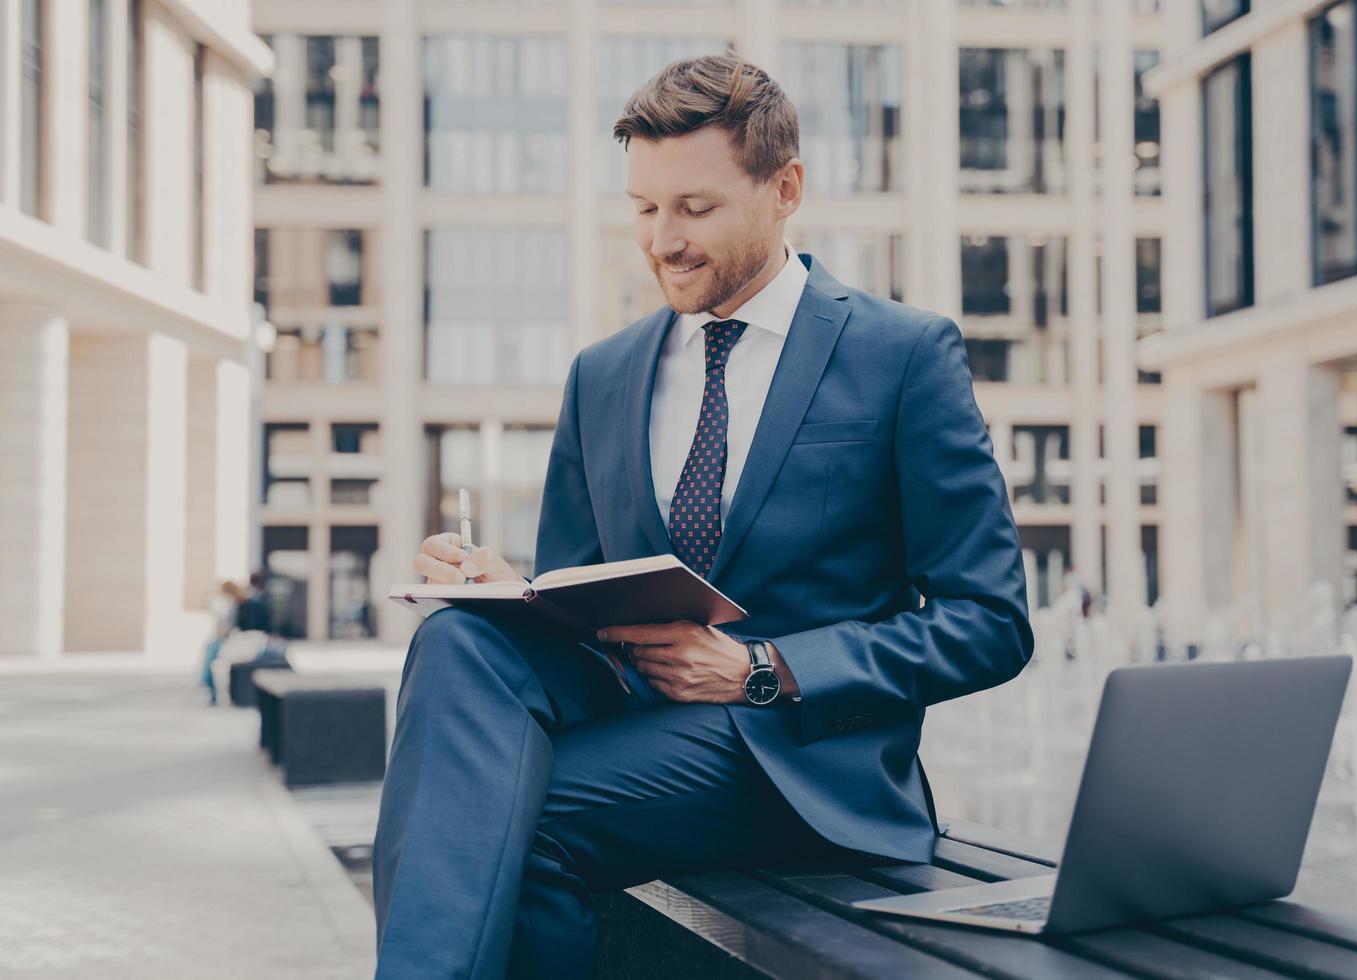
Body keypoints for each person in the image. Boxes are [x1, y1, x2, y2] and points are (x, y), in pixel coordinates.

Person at [371, 54, 1032, 979]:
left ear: (785, 188)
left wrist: (764, 670)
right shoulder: (603, 375)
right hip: (634, 721)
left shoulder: (902, 355)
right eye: (645, 209)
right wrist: (509, 594)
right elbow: (581, 603)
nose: (663, 240)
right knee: (454, 644)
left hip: (795, 759)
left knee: (491, 819)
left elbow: (991, 623)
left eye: (696, 208)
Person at [199, 580, 244, 705]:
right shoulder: (229, 604)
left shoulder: (234, 604)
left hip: (227, 640)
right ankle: (209, 690)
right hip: (221, 639)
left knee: (208, 662)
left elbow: (230, 627)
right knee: (208, 659)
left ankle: (208, 687)